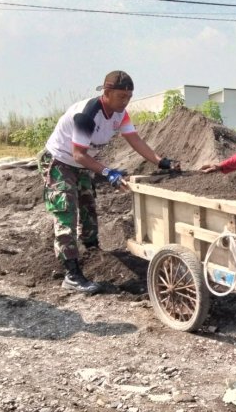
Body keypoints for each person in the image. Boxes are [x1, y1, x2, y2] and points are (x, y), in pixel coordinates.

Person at [40, 70, 176, 294]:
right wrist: (108, 172)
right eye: (122, 96)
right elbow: (78, 154)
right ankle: (72, 274)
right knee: (66, 211)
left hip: (81, 164)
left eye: (129, 97)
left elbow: (134, 139)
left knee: (88, 208)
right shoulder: (87, 115)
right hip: (60, 161)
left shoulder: (119, 114)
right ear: (107, 92)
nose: (126, 101)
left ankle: (93, 254)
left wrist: (161, 162)